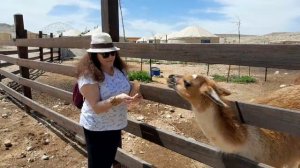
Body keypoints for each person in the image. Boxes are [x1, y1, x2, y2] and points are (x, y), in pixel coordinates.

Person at [76, 32, 140, 168]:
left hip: (116, 124)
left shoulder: (119, 70)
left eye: (112, 53)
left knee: (108, 160)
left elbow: (126, 94)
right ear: (94, 55)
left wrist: (133, 95)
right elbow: (97, 108)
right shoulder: (88, 77)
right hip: (97, 127)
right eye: (105, 54)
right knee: (98, 165)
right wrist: (117, 99)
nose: (110, 56)